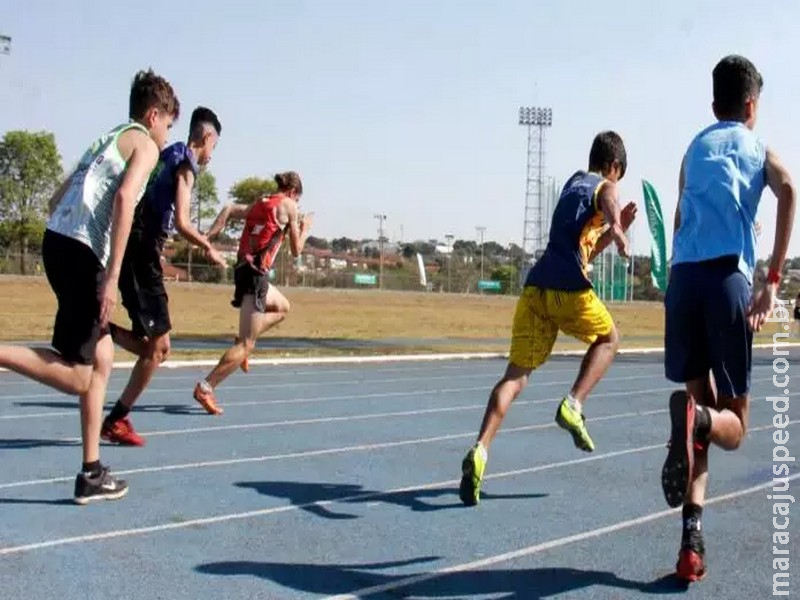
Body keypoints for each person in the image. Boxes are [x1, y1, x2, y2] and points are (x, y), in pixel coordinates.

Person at [0, 69, 179, 503]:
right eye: (168, 126)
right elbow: (123, 200)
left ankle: (91, 472)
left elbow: (55, 197)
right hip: (82, 250)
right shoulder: (144, 146)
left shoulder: (107, 138)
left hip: (58, 239)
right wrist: (112, 276)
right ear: (153, 115)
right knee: (81, 376)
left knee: (101, 359)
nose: (166, 136)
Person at [661, 54, 795, 582]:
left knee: (699, 424)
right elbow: (789, 191)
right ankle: (695, 418)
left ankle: (691, 544)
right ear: (751, 105)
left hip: (683, 281)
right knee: (731, 425)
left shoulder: (693, 150)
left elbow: (678, 217)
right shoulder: (756, 146)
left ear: (712, 102)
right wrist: (772, 280)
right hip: (724, 284)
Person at [459, 131, 637, 506]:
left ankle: (480, 450)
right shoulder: (606, 186)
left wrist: (613, 229)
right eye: (618, 174)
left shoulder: (573, 184)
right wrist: (619, 230)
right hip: (567, 291)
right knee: (610, 339)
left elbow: (584, 250)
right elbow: (608, 197)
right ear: (615, 166)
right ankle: (573, 403)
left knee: (515, 376)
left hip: (536, 288)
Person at [100, 107, 226, 446]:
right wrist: (209, 248)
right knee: (157, 349)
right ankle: (115, 419)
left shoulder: (166, 152)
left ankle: (100, 329)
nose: (212, 154)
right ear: (207, 138)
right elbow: (184, 223)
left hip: (135, 248)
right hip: (142, 253)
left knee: (158, 347)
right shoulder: (185, 164)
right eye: (214, 146)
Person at [191, 171, 313, 414]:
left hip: (244, 269)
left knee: (282, 307)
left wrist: (208, 237)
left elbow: (228, 209)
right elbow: (297, 249)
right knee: (248, 344)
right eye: (297, 200)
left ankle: (243, 338)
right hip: (256, 274)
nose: (296, 205)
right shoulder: (289, 205)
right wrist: (304, 227)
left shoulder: (262, 200)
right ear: (293, 193)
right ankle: (206, 387)